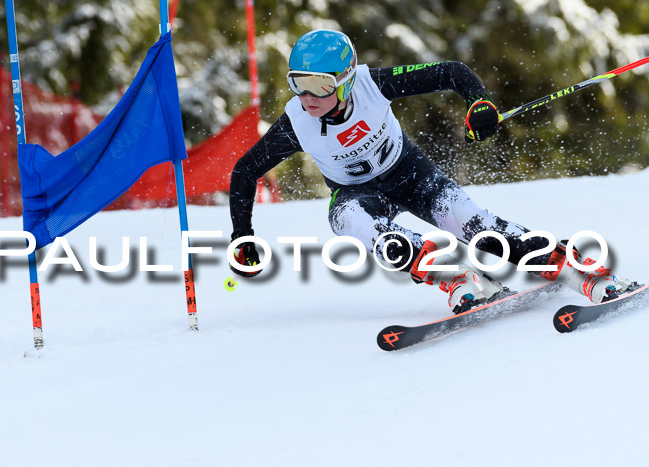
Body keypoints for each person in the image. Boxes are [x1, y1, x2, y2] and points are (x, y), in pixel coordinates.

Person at [228, 28, 634, 314]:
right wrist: (242, 236)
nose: (307, 96)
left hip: (409, 173)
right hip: (356, 194)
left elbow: (451, 72)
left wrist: (478, 103)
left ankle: (576, 268)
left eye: (319, 84)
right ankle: (456, 278)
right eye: (298, 83)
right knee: (354, 222)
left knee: (477, 227)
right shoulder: (296, 121)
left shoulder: (373, 85)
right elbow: (244, 172)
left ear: (346, 80)